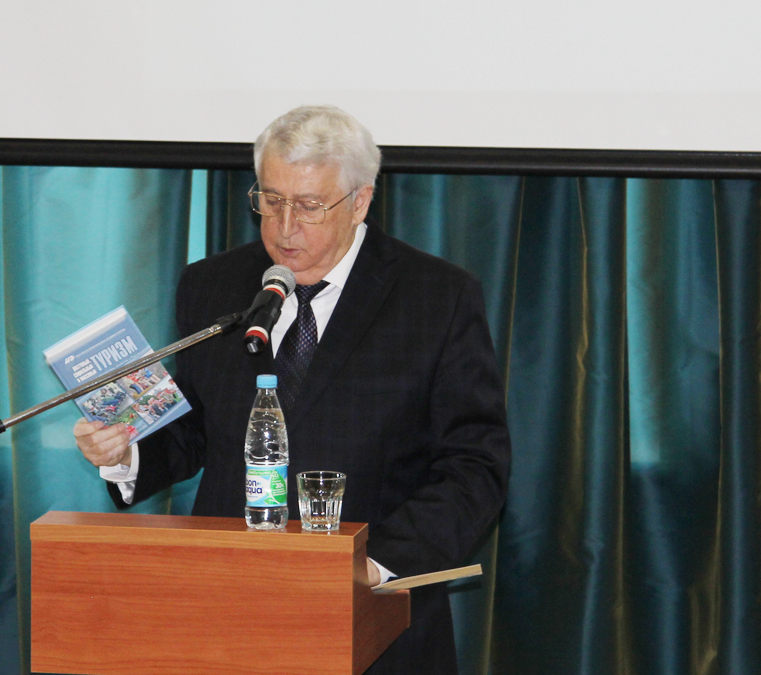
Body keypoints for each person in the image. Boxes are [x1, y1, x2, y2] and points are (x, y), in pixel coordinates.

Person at [74, 105, 511, 674]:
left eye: (308, 206)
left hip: (375, 622)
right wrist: (125, 452)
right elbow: (197, 428)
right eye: (271, 200)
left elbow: (475, 465)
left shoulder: (436, 296)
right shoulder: (212, 285)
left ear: (360, 202)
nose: (284, 228)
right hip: (228, 611)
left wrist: (373, 564)